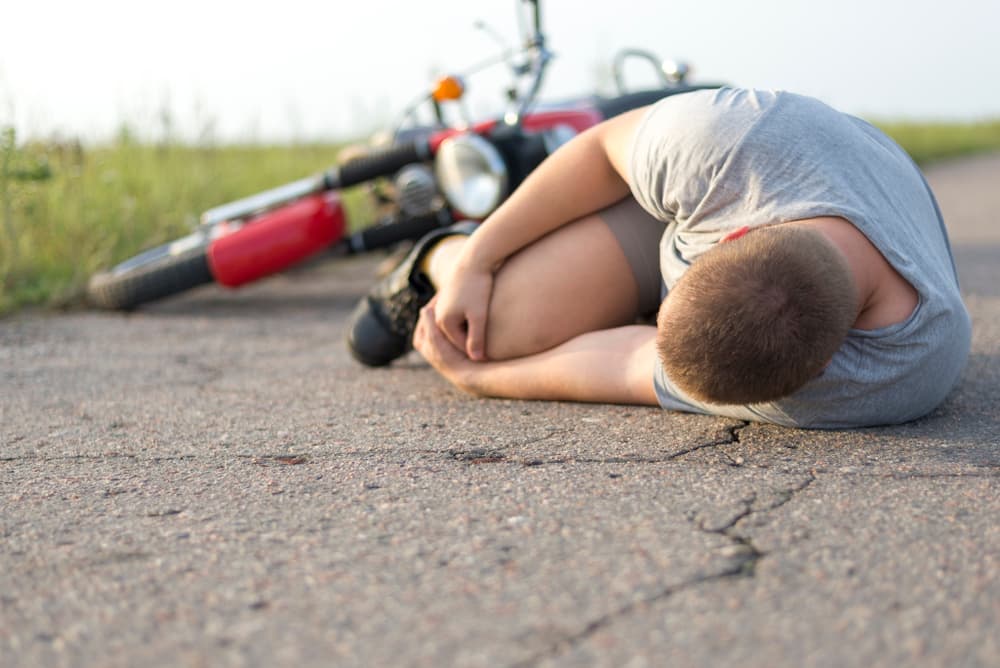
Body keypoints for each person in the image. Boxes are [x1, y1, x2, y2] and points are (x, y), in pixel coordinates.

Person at [346, 87, 971, 429]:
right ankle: (439, 251)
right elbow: (597, 152)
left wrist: (480, 379)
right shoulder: (722, 143)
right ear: (730, 237)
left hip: (791, 214)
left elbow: (627, 366)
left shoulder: (880, 384)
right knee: (496, 323)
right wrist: (478, 261)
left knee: (496, 348)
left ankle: (589, 291)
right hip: (719, 185)